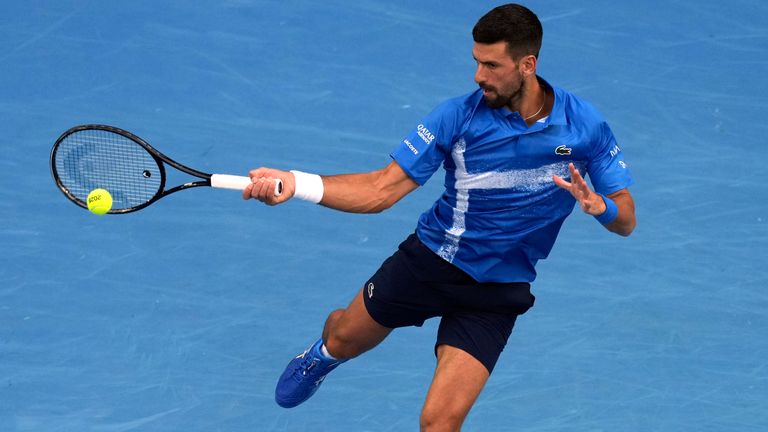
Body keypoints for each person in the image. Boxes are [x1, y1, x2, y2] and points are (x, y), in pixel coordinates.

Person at [243, 3, 636, 431]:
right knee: (343, 338)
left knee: (440, 423)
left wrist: (602, 209)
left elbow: (626, 220)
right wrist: (296, 184)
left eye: (491, 65)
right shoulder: (457, 117)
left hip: (498, 290)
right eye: (476, 62)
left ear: (527, 64)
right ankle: (320, 357)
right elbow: (381, 189)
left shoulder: (585, 127)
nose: (478, 76)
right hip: (430, 262)